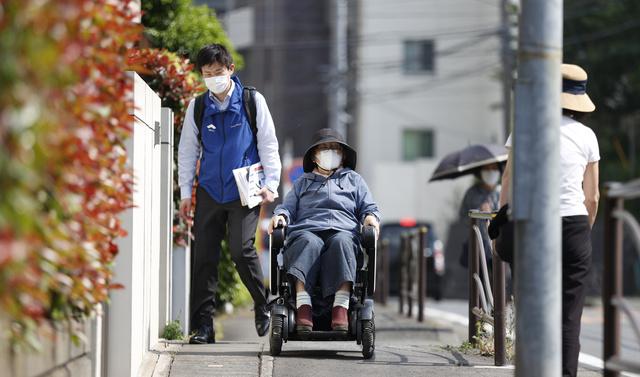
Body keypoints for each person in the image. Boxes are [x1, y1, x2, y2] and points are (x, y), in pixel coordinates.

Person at [499, 63, 600, 377]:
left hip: (532, 225)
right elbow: (592, 196)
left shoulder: (526, 126)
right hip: (574, 225)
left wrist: (501, 224)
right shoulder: (587, 136)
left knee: (532, 310)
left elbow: (508, 183)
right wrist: (583, 231)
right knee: (569, 316)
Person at [178, 44, 281, 344]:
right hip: (209, 188)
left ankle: (262, 304)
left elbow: (269, 144)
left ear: (231, 70)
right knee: (203, 257)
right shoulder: (197, 107)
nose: (213, 79)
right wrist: (187, 192)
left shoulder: (251, 100)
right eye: (207, 74)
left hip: (245, 188)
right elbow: (187, 152)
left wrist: (271, 185)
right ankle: (204, 327)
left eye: (218, 73)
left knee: (241, 249)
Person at [268, 128, 380, 332]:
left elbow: (369, 208)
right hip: (307, 231)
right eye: (324, 148)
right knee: (308, 242)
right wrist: (280, 216)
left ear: (343, 155)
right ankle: (303, 305)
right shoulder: (303, 182)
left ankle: (341, 306)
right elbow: (287, 207)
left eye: (334, 148)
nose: (330, 152)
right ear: (314, 155)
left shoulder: (354, 180)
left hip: (343, 231)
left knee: (343, 242)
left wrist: (371, 218)